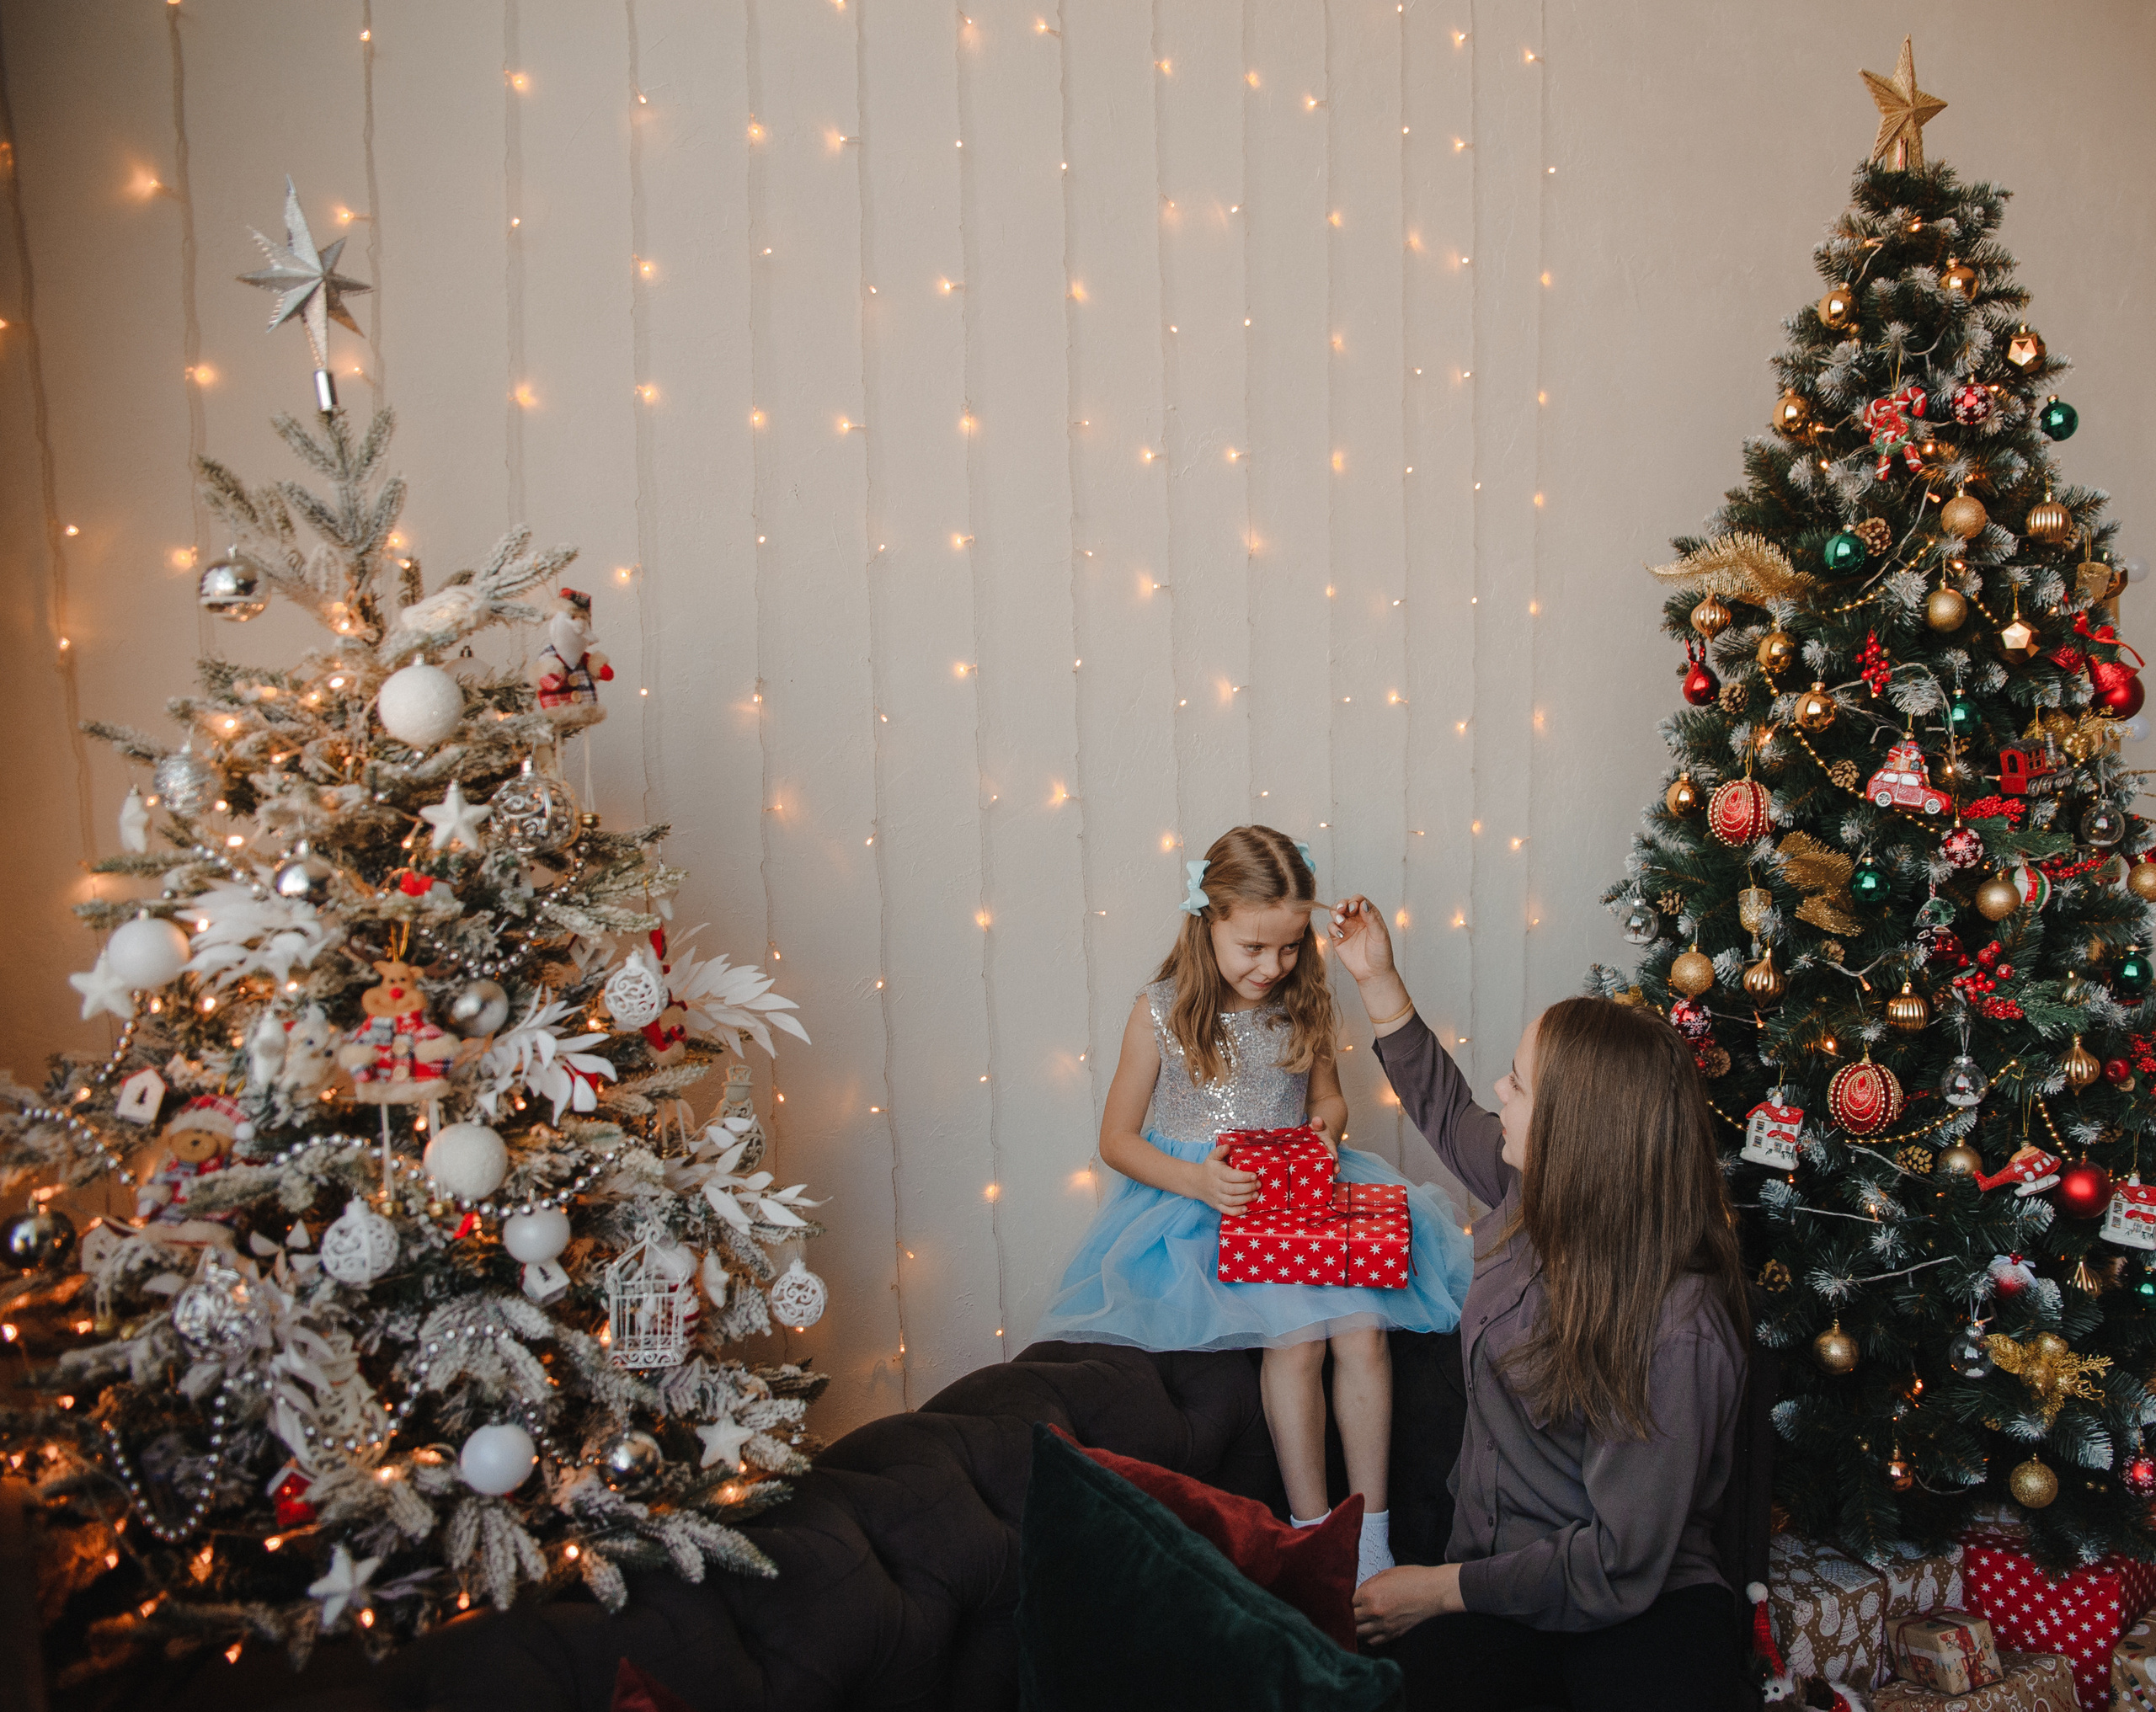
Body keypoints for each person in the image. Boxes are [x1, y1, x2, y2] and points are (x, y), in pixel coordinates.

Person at [1331, 894, 1748, 1710]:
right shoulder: (1533, 1192)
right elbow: (1450, 1114)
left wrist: (1440, 1588)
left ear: (1576, 1132)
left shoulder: (1678, 1326)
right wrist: (1378, 980)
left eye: (1517, 1084)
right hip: (1498, 1583)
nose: (1498, 1088)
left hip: (1639, 1601)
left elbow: (1620, 1560)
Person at [1033, 828, 1472, 1585]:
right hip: (1203, 1204)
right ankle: (1312, 1533)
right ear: (1208, 922)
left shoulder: (1304, 1000)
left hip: (1300, 1197)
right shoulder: (1161, 1011)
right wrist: (1199, 1182)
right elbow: (1116, 1138)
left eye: (1292, 947)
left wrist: (1323, 1135)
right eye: (1254, 948)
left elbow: (1330, 1102)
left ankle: (1372, 1530)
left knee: (1363, 1328)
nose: (1274, 966)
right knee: (1297, 1337)